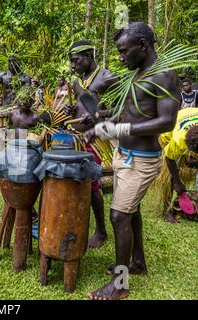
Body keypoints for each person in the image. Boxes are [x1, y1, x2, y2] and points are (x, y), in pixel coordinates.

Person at [84, 22, 180, 300]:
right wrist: (102, 125)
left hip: (142, 159)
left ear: (143, 46)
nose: (121, 57)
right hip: (125, 155)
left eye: (124, 52)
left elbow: (167, 121)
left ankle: (120, 284)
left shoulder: (164, 74)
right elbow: (129, 112)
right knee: (130, 210)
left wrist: (120, 129)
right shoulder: (137, 74)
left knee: (118, 215)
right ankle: (137, 262)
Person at [65, 40, 118, 249]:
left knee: (93, 186)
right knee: (77, 183)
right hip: (76, 138)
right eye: (71, 62)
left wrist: (97, 116)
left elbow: (121, 110)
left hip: (94, 141)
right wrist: (73, 112)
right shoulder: (80, 80)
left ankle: (101, 231)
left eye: (76, 60)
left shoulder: (108, 77)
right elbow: (83, 106)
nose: (72, 66)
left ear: (88, 55)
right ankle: (80, 223)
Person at [159, 107, 198, 223]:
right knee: (169, 177)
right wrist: (177, 181)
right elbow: (169, 158)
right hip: (168, 134)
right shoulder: (178, 141)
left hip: (191, 113)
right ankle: (167, 212)